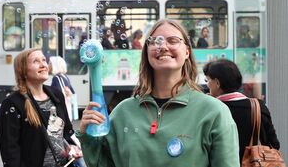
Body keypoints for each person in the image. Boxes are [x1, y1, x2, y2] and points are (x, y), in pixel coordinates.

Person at [76, 19, 240, 167]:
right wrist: (87, 136)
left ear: (187, 52)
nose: (163, 46)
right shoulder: (122, 113)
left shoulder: (214, 112)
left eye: (173, 41)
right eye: (155, 42)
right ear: (146, 53)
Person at [0, 48, 82, 167]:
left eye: (44, 60)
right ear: (23, 71)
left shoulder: (56, 94)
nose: (43, 65)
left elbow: (67, 132)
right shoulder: (12, 103)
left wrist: (72, 147)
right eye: (36, 61)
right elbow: (10, 151)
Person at [203, 59, 280, 163]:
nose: (207, 85)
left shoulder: (212, 111)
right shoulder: (258, 106)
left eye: (207, 80)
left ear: (217, 83)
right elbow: (274, 145)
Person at [49, 56, 76, 121]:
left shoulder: (56, 78)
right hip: (67, 108)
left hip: (61, 111)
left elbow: (57, 95)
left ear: (55, 65)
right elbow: (73, 92)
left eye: (50, 63)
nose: (47, 65)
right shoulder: (65, 77)